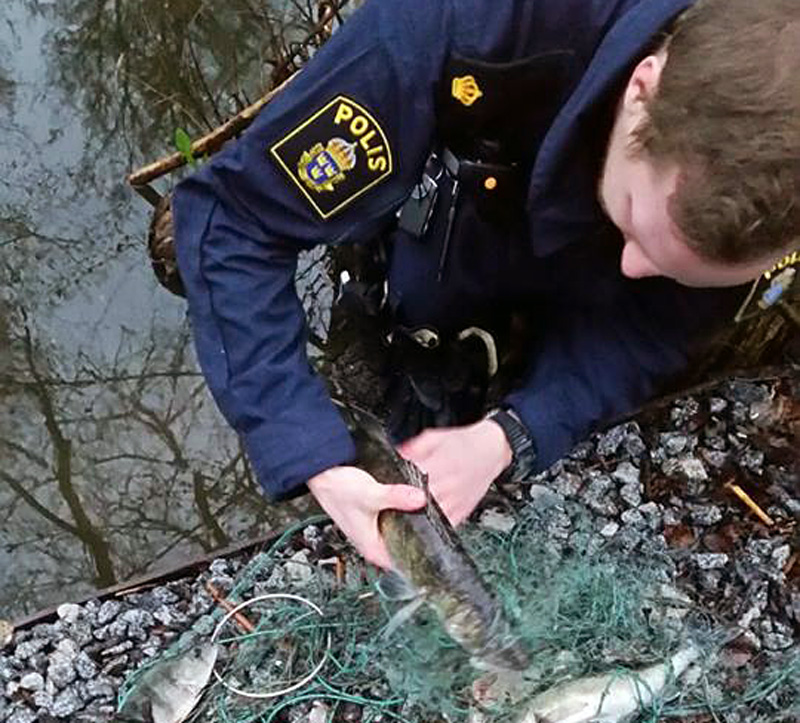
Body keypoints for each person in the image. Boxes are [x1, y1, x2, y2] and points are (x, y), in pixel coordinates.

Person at [170, 0, 800, 569]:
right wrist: (306, 448)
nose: (637, 269)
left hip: (568, 264)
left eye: (678, 273)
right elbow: (233, 221)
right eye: (637, 224)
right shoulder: (463, 24)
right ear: (642, 89)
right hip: (461, 208)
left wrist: (517, 430)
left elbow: (656, 329)